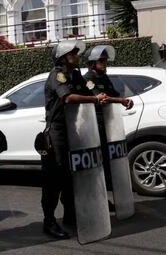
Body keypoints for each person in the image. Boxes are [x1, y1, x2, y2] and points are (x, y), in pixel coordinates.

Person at [42, 40, 107, 239]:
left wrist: (101, 95)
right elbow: (68, 97)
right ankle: (49, 221)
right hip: (57, 132)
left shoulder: (77, 75)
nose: (77, 56)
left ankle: (70, 215)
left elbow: (90, 88)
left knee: (73, 174)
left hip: (74, 130)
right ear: (63, 57)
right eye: (73, 53)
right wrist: (95, 99)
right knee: (55, 177)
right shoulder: (57, 75)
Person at [83, 45, 134, 211]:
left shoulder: (104, 77)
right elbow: (102, 98)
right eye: (101, 60)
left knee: (105, 164)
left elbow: (113, 93)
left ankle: (104, 199)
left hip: (107, 125)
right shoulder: (88, 79)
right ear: (92, 63)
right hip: (93, 127)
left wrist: (124, 99)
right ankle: (96, 201)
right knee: (96, 166)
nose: (104, 63)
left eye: (105, 60)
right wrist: (120, 101)